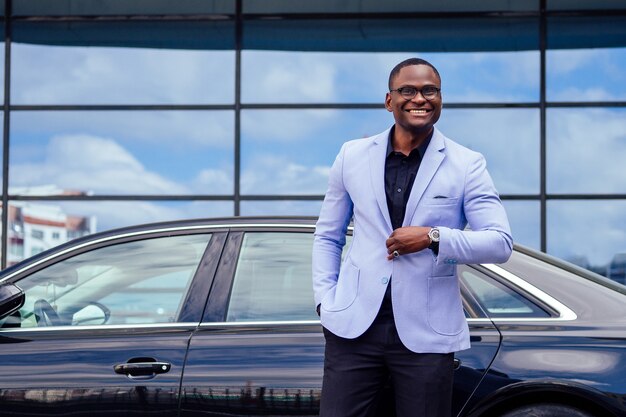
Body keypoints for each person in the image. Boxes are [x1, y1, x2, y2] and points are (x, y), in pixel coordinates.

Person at [312, 57, 513, 417]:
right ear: (389, 101)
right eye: (407, 90)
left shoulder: (467, 164)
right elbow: (328, 236)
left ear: (440, 99)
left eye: (429, 91)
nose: (419, 98)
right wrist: (325, 303)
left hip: (427, 335)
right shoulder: (351, 156)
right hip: (353, 329)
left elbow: (499, 243)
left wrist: (434, 237)